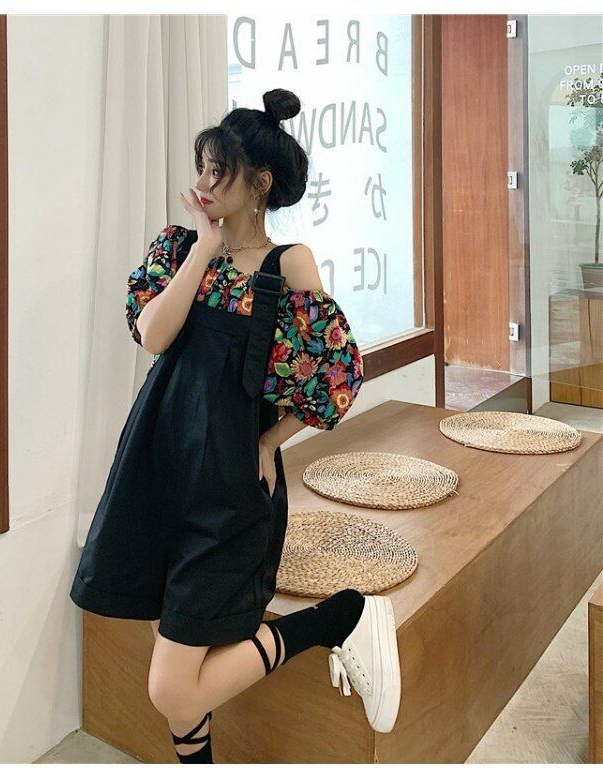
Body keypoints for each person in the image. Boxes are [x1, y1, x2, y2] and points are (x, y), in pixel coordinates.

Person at [70, 88, 401, 764]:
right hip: (158, 469)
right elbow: (152, 335)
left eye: (218, 171)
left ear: (260, 184)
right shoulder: (181, 249)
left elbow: (335, 372)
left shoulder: (289, 265)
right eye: (202, 167)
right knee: (180, 681)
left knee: (170, 686)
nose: (203, 183)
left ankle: (341, 617)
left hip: (229, 489)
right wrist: (204, 248)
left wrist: (271, 442)